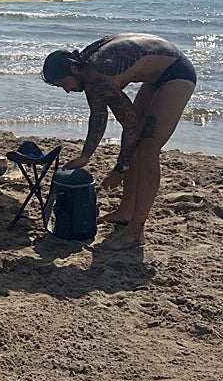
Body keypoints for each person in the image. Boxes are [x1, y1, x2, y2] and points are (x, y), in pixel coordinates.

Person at [41, 33, 196, 249]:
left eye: (63, 84)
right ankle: (125, 212)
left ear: (73, 69)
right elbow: (98, 116)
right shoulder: (86, 70)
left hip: (177, 72)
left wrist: (120, 169)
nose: (67, 90)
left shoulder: (100, 73)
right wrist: (85, 156)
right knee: (135, 144)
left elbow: (130, 124)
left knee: (147, 149)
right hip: (155, 75)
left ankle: (136, 232)